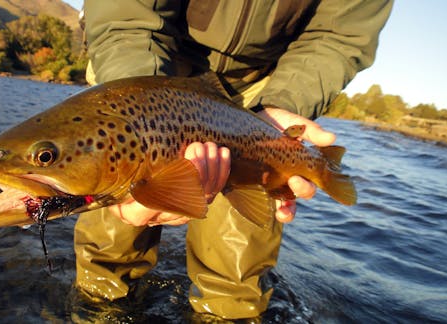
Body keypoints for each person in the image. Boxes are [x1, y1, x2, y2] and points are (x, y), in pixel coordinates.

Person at [74, 0, 393, 320]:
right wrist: (142, 114)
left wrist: (284, 104)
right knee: (108, 248)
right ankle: (95, 311)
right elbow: (127, 16)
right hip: (150, 65)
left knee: (234, 280)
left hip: (263, 91)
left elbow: (338, 36)